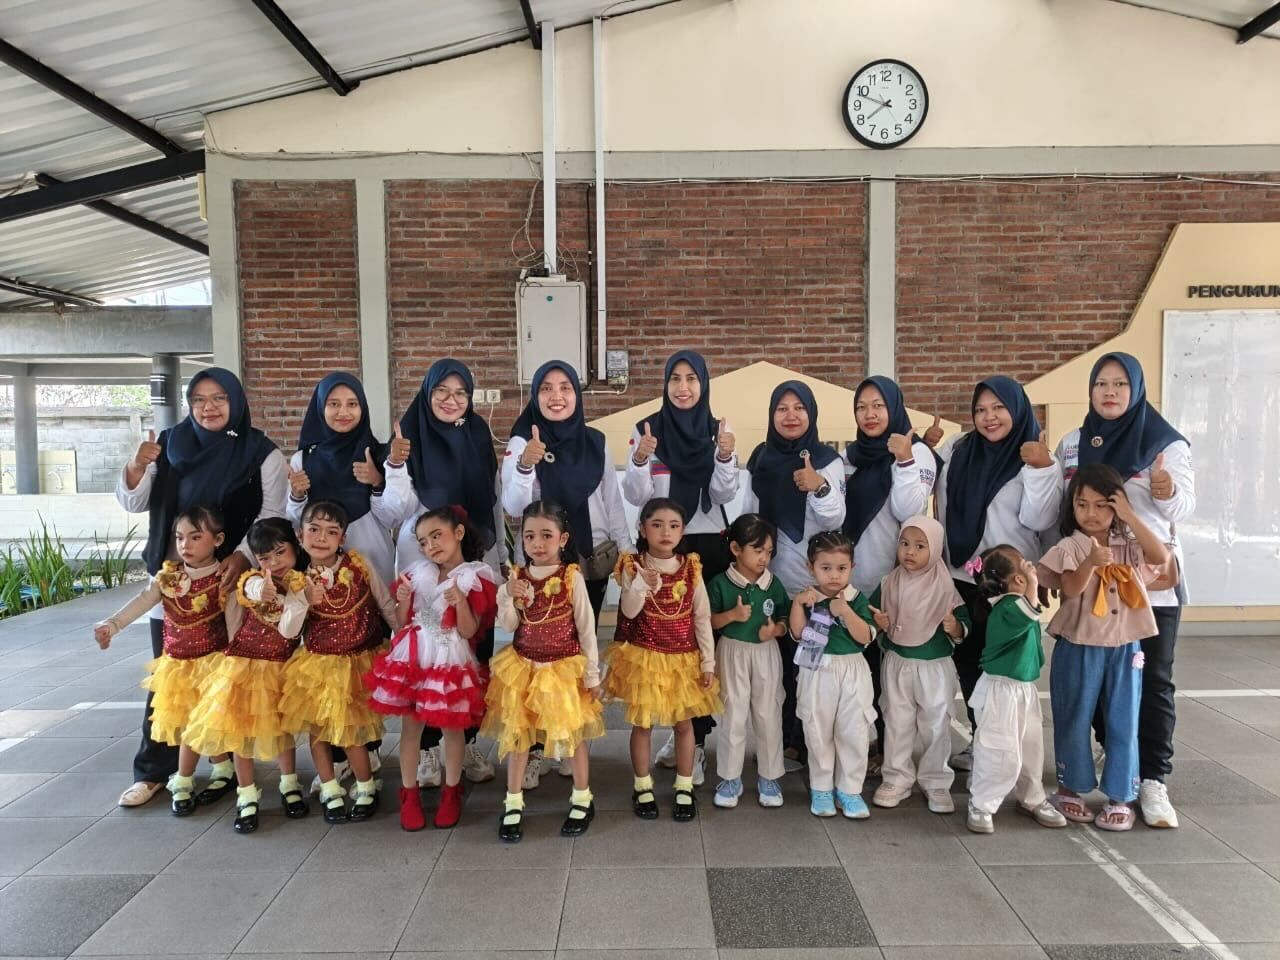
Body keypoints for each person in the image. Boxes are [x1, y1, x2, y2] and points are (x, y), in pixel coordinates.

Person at [114, 367, 286, 808]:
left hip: (229, 582)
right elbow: (135, 502)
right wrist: (137, 466)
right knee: (169, 680)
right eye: (199, 400)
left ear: (236, 402)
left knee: (227, 679)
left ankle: (226, 764)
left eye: (219, 398)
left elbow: (271, 513)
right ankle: (153, 771)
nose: (209, 408)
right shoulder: (168, 444)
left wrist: (242, 555)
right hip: (175, 581)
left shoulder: (261, 452)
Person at [1052, 351, 1194, 830]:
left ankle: (1151, 780)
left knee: (1152, 684)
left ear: (1136, 389)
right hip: (1093, 585)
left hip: (1148, 585)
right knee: (1096, 684)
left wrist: (1166, 491)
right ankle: (1114, 766)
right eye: (1101, 383)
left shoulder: (1164, 444)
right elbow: (1063, 507)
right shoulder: (1074, 443)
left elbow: (1183, 509)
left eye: (1120, 384)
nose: (1109, 392)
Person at [501, 361, 632, 786]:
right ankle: (537, 746)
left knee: (576, 654)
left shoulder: (595, 442)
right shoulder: (522, 440)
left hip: (589, 560)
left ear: (577, 395)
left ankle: (568, 740)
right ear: (534, 395)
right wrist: (526, 465)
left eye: (565, 388)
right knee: (537, 658)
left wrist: (627, 550)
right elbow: (512, 505)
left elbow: (611, 500)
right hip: (540, 565)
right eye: (546, 388)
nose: (556, 396)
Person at [935, 376, 1061, 773]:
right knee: (970, 664)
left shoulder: (1035, 456)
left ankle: (1013, 748)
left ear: (1017, 409)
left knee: (1009, 670)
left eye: (998, 408)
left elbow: (1041, 519)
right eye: (980, 410)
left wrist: (1041, 468)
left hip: (1011, 584)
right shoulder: (958, 448)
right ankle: (982, 742)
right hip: (963, 575)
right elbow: (936, 497)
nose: (989, 417)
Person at [624, 350, 739, 785]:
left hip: (705, 542)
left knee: (698, 644)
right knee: (658, 641)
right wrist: (640, 459)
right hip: (660, 543)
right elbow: (636, 496)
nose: (684, 387)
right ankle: (670, 732)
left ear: (703, 385)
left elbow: (724, 494)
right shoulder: (646, 430)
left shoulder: (717, 432)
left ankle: (697, 741)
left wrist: (724, 457)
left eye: (692, 379)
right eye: (676, 378)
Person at [1038, 464, 1171, 832]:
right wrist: (1089, 564)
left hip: (1125, 646)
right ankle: (1070, 788)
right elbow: (1069, 589)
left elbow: (1160, 557)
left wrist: (1130, 516)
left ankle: (1121, 796)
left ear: (1117, 506)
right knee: (1073, 715)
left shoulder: (1129, 543)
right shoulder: (1070, 545)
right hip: (1079, 643)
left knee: (1124, 720)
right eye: (1082, 505)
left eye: (1102, 505)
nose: (1091, 514)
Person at [395, 359, 505, 791]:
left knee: (472, 655)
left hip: (474, 559)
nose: (451, 400)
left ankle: (465, 741)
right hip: (422, 563)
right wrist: (392, 466)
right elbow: (396, 508)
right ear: (427, 393)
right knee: (427, 656)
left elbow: (492, 498)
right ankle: (426, 747)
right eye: (441, 391)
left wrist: (497, 556)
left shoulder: (477, 433)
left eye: (460, 393)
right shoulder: (409, 436)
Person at [93, 506, 231, 817]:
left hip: (214, 664)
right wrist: (112, 625)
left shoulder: (224, 578)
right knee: (186, 722)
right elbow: (143, 600)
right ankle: (217, 768)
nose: (185, 545)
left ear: (218, 540)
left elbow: (235, 621)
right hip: (177, 666)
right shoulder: (168, 577)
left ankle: (192, 777)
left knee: (206, 721)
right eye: (180, 537)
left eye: (195, 537)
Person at [366, 506, 496, 831]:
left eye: (437, 536)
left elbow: (469, 630)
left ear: (459, 533)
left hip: (450, 654)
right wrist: (404, 600)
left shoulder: (474, 576)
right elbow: (401, 622)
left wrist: (460, 601)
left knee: (452, 727)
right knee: (412, 726)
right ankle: (408, 793)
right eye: (423, 541)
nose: (430, 546)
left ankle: (451, 791)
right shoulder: (418, 573)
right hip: (414, 655)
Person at [482, 501, 606, 842]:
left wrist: (591, 675)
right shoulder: (517, 578)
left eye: (546, 535)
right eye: (530, 536)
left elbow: (586, 629)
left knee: (573, 736)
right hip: (524, 668)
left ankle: (582, 797)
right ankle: (513, 802)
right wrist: (508, 596)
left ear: (562, 539)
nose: (537, 543)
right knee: (519, 735)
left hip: (563, 669)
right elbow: (509, 624)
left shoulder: (571, 577)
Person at [741, 380, 846, 769]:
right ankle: (780, 739)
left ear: (812, 414)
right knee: (776, 669)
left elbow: (835, 519)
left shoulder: (827, 459)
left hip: (811, 587)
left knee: (811, 665)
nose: (790, 416)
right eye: (781, 408)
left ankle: (808, 742)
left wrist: (819, 487)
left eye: (799, 408)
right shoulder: (761, 456)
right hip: (769, 582)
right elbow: (750, 512)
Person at [183, 518, 310, 834]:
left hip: (282, 666)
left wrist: (299, 599)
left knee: (282, 728)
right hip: (244, 665)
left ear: (295, 546)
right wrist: (261, 588)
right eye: (264, 557)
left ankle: (289, 784)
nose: (274, 563)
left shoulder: (302, 583)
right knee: (241, 733)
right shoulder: (251, 579)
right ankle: (247, 794)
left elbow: (290, 629)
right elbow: (251, 589)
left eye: (280, 552)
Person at [280, 501, 397, 824]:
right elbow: (288, 629)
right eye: (314, 530)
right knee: (319, 731)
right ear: (300, 534)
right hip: (318, 665)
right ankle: (330, 788)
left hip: (358, 662)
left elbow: (385, 602)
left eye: (331, 532)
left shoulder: (359, 565)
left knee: (352, 731)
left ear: (342, 538)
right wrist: (304, 601)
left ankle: (366, 785)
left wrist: (403, 638)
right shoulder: (297, 580)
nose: (321, 538)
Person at [605, 498, 722, 823]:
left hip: (683, 659)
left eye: (673, 526)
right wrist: (643, 584)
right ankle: (642, 785)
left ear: (682, 531)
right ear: (643, 529)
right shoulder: (632, 566)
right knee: (643, 724)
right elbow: (629, 611)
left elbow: (702, 616)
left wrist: (708, 662)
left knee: (684, 725)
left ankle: (684, 785)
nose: (665, 532)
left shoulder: (691, 567)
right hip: (646, 657)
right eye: (657, 525)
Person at [842, 375, 937, 774]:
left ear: (894, 407)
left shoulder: (918, 453)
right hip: (852, 582)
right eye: (861, 407)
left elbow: (908, 510)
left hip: (895, 583)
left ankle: (889, 751)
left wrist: (905, 460)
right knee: (854, 672)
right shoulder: (850, 456)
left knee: (890, 677)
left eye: (878, 405)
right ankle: (856, 744)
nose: (870, 414)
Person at [963, 544, 1066, 834]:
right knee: (999, 751)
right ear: (1018, 579)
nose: (1031, 568)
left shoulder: (1015, 603)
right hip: (1001, 692)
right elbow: (1027, 614)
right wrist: (1034, 584)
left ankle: (1032, 797)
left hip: (1022, 689)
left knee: (1030, 748)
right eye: (1026, 566)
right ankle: (981, 803)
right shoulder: (1007, 606)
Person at [868, 516, 968, 814]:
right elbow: (869, 612)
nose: (910, 551)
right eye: (904, 544)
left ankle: (936, 781)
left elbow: (964, 623)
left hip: (934, 667)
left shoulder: (946, 586)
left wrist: (955, 627)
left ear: (935, 549)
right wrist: (876, 621)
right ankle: (896, 778)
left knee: (936, 725)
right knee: (896, 722)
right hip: (897, 663)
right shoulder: (889, 583)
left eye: (920, 546)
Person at [288, 371, 411, 587]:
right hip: (320, 569)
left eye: (352, 404)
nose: (343, 412)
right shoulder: (303, 460)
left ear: (362, 408)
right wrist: (297, 496)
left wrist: (377, 482)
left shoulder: (379, 455)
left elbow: (393, 518)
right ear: (320, 408)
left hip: (373, 563)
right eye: (333, 404)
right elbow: (296, 522)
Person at [788, 530, 878, 820]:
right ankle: (822, 788)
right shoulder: (808, 598)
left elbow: (866, 636)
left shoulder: (856, 599)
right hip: (816, 669)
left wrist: (845, 612)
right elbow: (798, 633)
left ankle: (850, 790)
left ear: (852, 567)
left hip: (852, 669)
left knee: (854, 731)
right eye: (825, 568)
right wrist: (797, 605)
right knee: (817, 730)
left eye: (841, 568)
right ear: (810, 567)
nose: (834, 575)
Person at [707, 514, 790, 809]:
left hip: (766, 653)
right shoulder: (720, 583)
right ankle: (730, 778)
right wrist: (732, 616)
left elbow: (784, 617)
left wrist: (776, 631)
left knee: (769, 713)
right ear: (735, 549)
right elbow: (708, 621)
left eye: (769, 551)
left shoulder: (773, 584)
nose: (764, 558)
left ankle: (770, 776)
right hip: (732, 652)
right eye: (758, 550)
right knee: (733, 714)